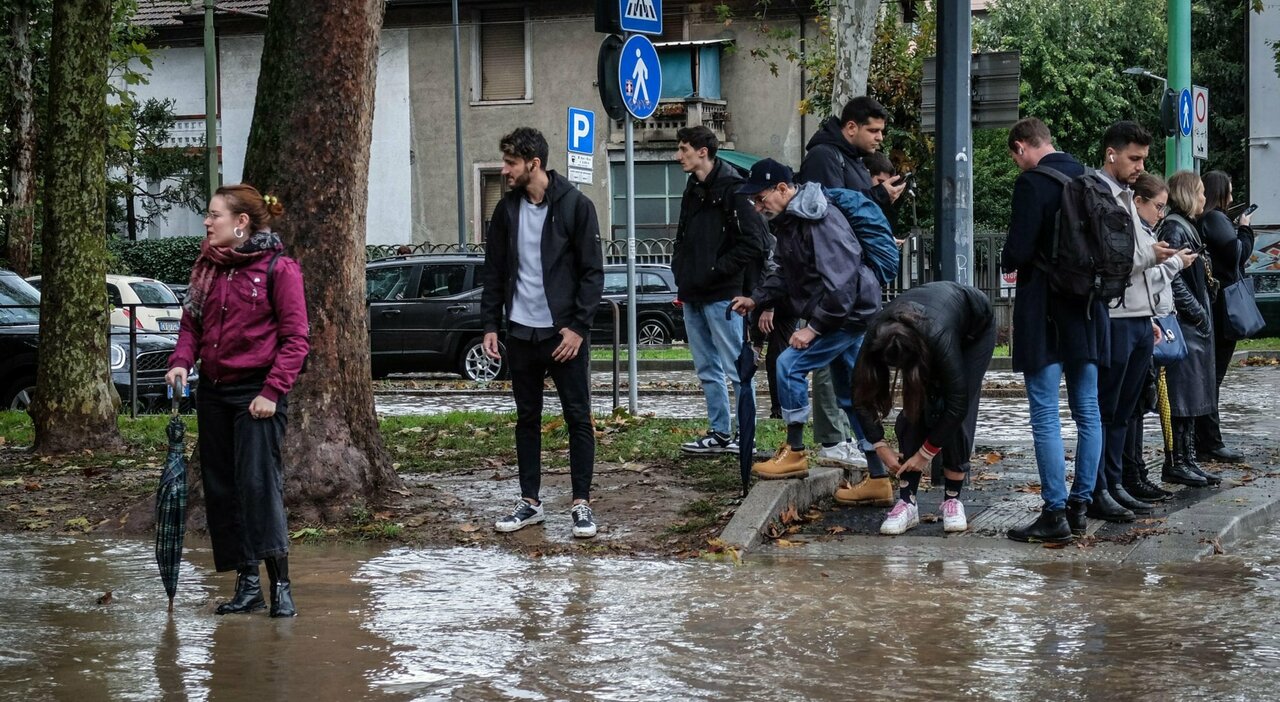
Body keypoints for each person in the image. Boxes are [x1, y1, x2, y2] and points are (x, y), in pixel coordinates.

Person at [165, 184, 310, 618]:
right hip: (212, 391)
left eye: (214, 215)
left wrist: (272, 392)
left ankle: (281, 584)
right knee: (222, 488)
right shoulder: (207, 266)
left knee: (257, 485)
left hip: (257, 396)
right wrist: (180, 361)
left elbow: (296, 339)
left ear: (241, 223)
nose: (207, 223)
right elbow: (192, 324)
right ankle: (247, 585)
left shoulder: (279, 269)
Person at [728, 159, 886, 489]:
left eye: (761, 198)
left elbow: (841, 286)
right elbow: (785, 272)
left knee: (788, 364)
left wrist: (812, 329)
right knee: (852, 396)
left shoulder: (819, 219)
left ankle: (796, 451)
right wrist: (757, 299)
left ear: (783, 189)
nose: (758, 207)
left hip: (848, 314)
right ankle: (878, 477)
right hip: (847, 313)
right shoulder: (792, 221)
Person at [480, 127, 605, 538]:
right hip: (520, 333)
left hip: (563, 335)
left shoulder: (576, 207)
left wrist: (578, 329)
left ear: (534, 163)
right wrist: (490, 326)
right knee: (527, 418)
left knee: (577, 418)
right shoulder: (506, 210)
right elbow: (494, 271)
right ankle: (529, 502)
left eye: (511, 163)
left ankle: (581, 504)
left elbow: (592, 273)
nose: (505, 170)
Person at [999, 118, 1109, 544]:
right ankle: (1081, 506)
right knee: (1088, 411)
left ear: (1023, 146)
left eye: (1015, 156)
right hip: (1087, 309)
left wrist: (1014, 257)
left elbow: (1017, 251)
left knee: (1045, 412)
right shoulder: (1088, 177)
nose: (1017, 163)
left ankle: (1054, 512)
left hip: (1044, 306)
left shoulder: (1032, 184)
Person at [793, 96, 905, 482]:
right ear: (851, 127)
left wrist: (882, 201)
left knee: (856, 376)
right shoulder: (826, 158)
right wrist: (877, 197)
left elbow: (857, 215)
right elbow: (828, 216)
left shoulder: (854, 161)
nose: (879, 138)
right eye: (873, 130)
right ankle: (832, 443)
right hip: (838, 285)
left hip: (855, 284)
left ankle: (871, 458)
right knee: (829, 369)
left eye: (881, 131)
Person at [1090, 124, 1192, 516]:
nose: (1140, 166)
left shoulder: (1124, 199)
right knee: (1108, 408)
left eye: (1143, 159)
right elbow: (1112, 261)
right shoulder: (1102, 195)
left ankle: (1114, 482)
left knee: (1125, 410)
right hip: (1116, 317)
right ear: (1111, 153)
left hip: (1137, 318)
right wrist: (1157, 257)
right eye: (1134, 158)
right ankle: (1101, 486)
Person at [852, 281, 996, 535]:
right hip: (931, 322)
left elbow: (957, 403)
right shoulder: (874, 335)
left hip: (974, 329)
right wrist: (879, 445)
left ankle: (953, 499)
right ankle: (907, 502)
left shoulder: (937, 336)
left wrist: (926, 453)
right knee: (915, 404)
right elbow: (859, 396)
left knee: (957, 410)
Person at [670, 125, 766, 454]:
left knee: (736, 369)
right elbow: (685, 236)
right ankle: (720, 433)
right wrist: (681, 273)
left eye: (683, 149)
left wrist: (716, 270)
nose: (678, 155)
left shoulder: (733, 188)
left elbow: (754, 243)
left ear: (702, 151)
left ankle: (746, 435)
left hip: (723, 295)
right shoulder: (692, 187)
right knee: (706, 368)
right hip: (693, 292)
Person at [1123, 172, 1192, 499]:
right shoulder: (1137, 234)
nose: (1161, 213)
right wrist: (1175, 263)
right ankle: (1131, 474)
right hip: (1142, 322)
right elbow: (1146, 279)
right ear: (1139, 202)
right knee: (1135, 404)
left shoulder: (1146, 230)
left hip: (1147, 320)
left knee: (1141, 402)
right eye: (1158, 206)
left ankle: (1135, 472)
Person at [1158, 170, 1222, 488]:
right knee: (1183, 395)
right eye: (1199, 193)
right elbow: (1175, 278)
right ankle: (1178, 461)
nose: (1203, 199)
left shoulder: (1183, 225)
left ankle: (1188, 459)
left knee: (1192, 394)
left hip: (1194, 325)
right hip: (1187, 326)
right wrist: (1198, 314)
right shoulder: (1175, 226)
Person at [1195, 170, 1255, 463]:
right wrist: (1244, 228)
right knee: (1214, 375)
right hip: (1222, 307)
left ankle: (1205, 438)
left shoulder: (1206, 220)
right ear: (1219, 193)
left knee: (1211, 376)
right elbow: (1237, 255)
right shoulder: (1215, 219)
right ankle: (1210, 441)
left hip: (1215, 304)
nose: (1232, 198)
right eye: (1229, 192)